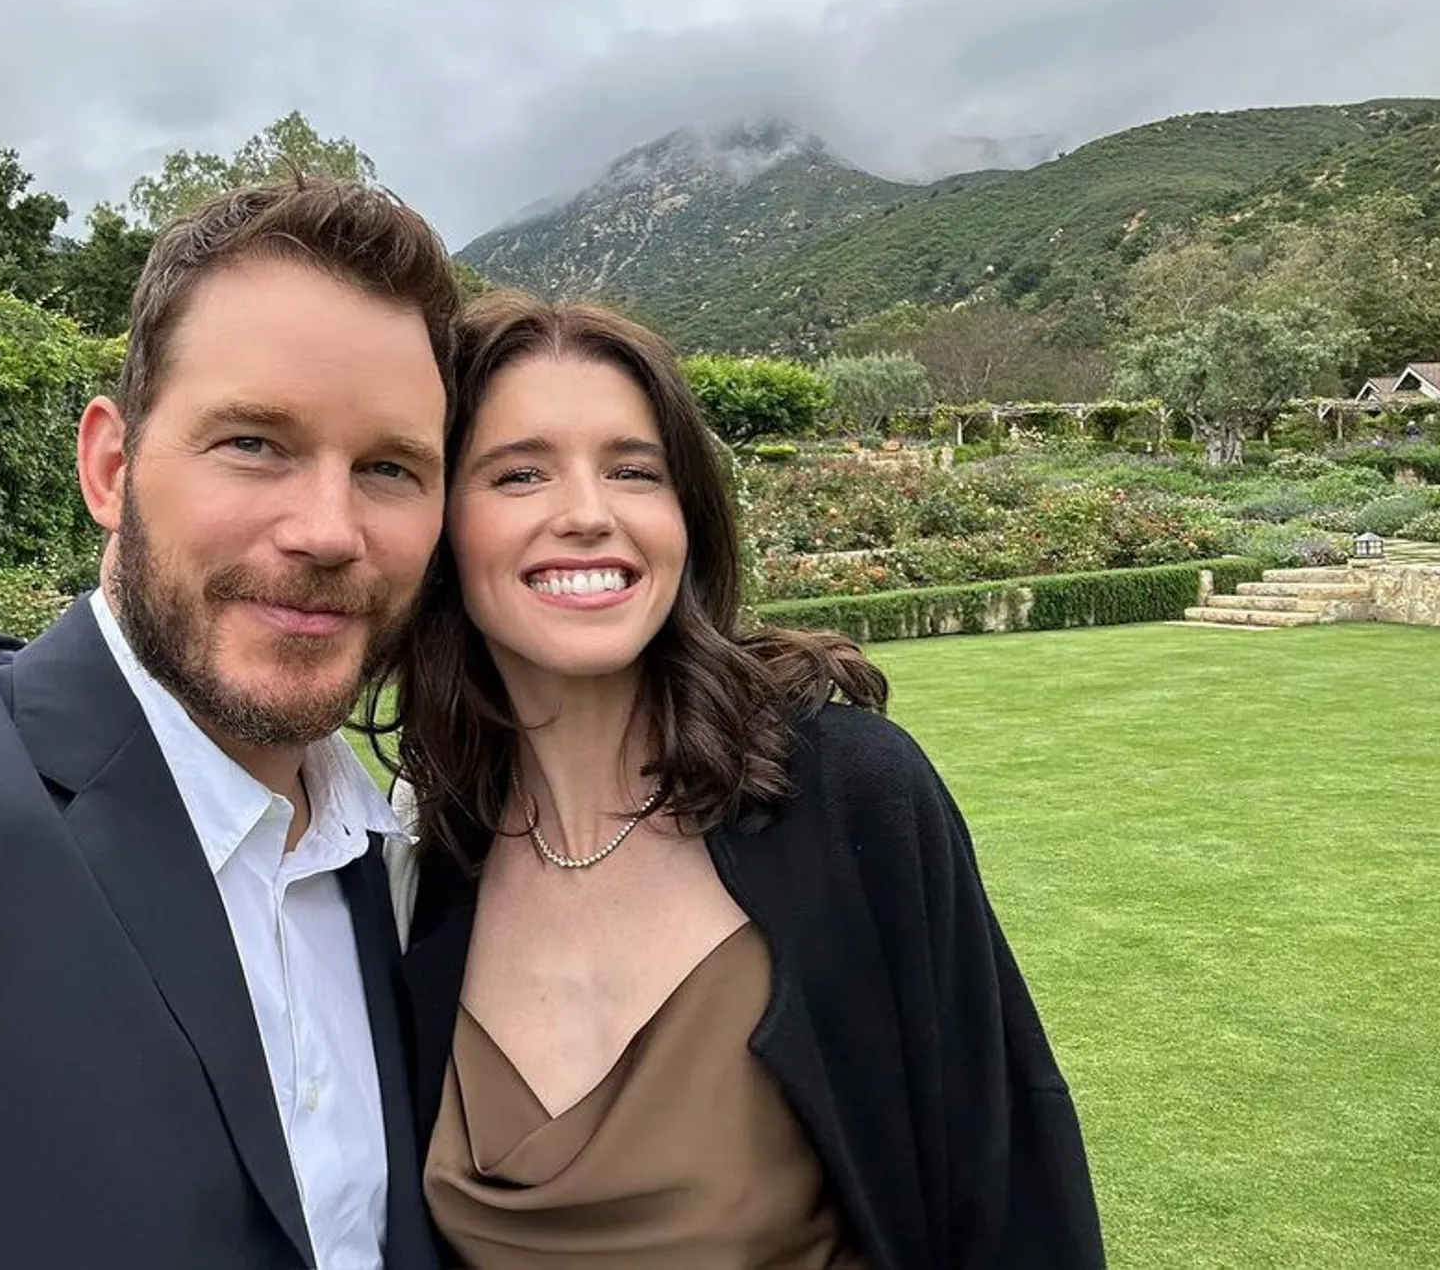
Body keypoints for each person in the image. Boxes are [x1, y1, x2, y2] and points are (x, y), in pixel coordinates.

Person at [0, 176, 459, 1269]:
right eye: (253, 442)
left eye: (389, 468)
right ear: (110, 466)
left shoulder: (383, 860)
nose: (328, 531)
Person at [381, 293, 1105, 1269]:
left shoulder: (851, 799)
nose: (588, 514)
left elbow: (1012, 1191)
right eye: (518, 473)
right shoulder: (422, 872)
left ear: (683, 517)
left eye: (633, 470)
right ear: (438, 529)